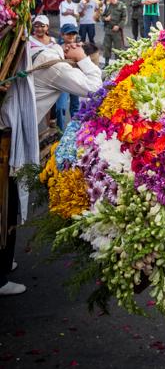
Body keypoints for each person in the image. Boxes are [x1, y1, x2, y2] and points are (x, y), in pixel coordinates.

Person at [0, 38, 102, 296]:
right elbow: (95, 88)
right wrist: (83, 60)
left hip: (10, 136)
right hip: (9, 140)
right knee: (6, 204)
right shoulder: (54, 64)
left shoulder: (34, 50)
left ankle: (4, 261)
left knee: (9, 201)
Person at [55, 24, 81, 131]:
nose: (71, 36)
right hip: (63, 82)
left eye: (73, 34)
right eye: (68, 34)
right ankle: (60, 132)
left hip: (76, 81)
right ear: (62, 35)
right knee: (60, 108)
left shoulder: (79, 48)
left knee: (75, 108)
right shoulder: (57, 49)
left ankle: (74, 133)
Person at [101, 0, 128, 64]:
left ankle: (118, 64)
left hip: (117, 31)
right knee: (106, 47)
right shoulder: (108, 5)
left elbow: (124, 18)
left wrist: (119, 26)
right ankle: (106, 63)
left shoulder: (121, 5)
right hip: (108, 29)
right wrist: (105, 19)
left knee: (118, 48)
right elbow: (102, 16)